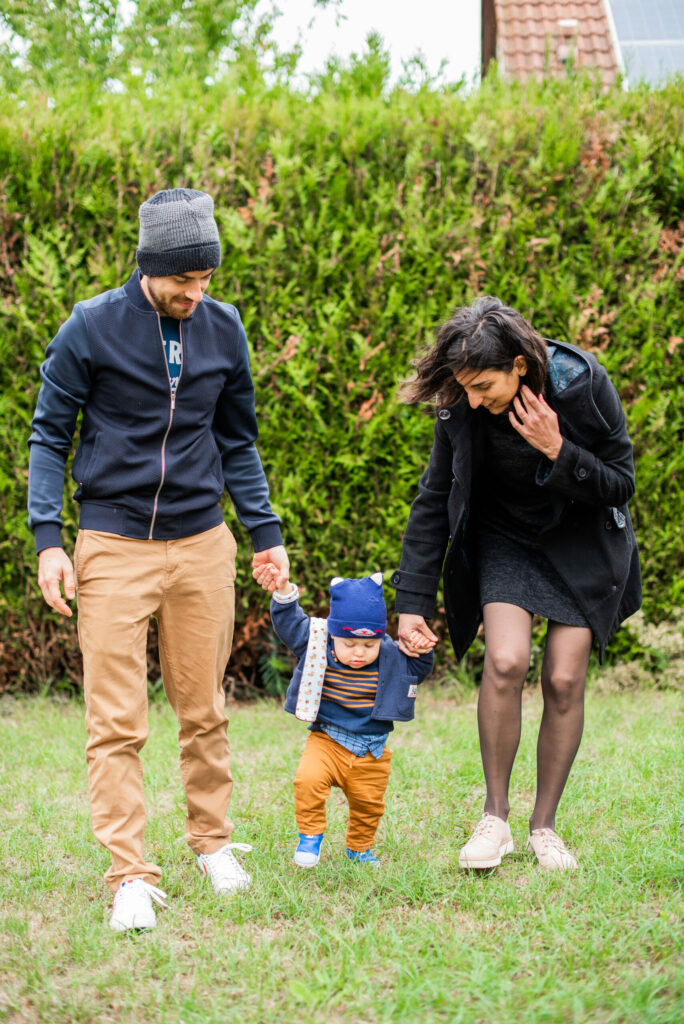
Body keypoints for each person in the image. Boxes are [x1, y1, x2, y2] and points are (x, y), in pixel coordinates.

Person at [27, 188, 289, 931]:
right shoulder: (90, 327)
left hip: (203, 543)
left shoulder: (224, 327)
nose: (195, 294)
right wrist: (50, 539)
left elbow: (238, 440)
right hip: (111, 544)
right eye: (183, 281)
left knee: (204, 709)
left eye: (206, 280)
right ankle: (129, 876)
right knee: (116, 720)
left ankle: (212, 844)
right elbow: (49, 437)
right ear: (149, 268)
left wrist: (264, 535)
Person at [391, 296, 641, 871]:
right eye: (465, 387)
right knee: (504, 662)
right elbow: (434, 499)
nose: (474, 399)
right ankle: (495, 818)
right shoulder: (461, 404)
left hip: (580, 541)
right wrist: (412, 602)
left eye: (484, 386)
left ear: (520, 366)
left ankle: (544, 828)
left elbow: (621, 482)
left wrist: (559, 449)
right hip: (505, 540)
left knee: (562, 677)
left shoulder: (581, 385)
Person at [254, 569, 433, 866]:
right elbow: (290, 625)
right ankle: (310, 837)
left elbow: (417, 670)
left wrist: (421, 650)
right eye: (349, 644)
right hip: (326, 740)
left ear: (380, 638)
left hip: (370, 749)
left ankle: (359, 848)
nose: (359, 653)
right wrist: (284, 592)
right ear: (334, 633)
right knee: (307, 781)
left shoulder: (388, 654)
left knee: (369, 806)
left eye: (368, 645)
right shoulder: (317, 645)